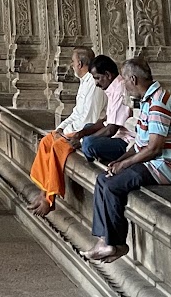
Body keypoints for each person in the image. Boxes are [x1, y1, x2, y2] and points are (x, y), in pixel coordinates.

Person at [84, 59, 171, 264]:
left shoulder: (159, 102)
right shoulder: (148, 100)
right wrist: (119, 160)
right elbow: (139, 142)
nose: (123, 84)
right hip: (152, 162)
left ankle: (116, 243)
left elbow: (154, 148)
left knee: (114, 186)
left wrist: (125, 165)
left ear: (133, 79)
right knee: (103, 179)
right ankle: (103, 239)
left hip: (165, 166)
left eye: (125, 80)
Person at [26, 49, 113, 216]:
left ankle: (49, 200)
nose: (72, 65)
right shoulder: (84, 82)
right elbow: (76, 113)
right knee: (46, 141)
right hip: (73, 129)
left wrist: (65, 134)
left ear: (79, 64)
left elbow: (89, 120)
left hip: (87, 131)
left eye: (73, 62)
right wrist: (60, 128)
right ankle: (43, 192)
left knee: (57, 147)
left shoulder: (95, 86)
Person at [78, 58, 142, 166]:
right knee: (87, 128)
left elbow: (111, 129)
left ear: (108, 75)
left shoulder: (120, 88)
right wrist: (81, 134)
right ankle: (97, 155)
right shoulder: (112, 88)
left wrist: (85, 139)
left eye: (97, 78)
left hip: (126, 141)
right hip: (117, 135)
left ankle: (96, 158)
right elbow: (106, 120)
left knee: (88, 143)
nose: (96, 83)